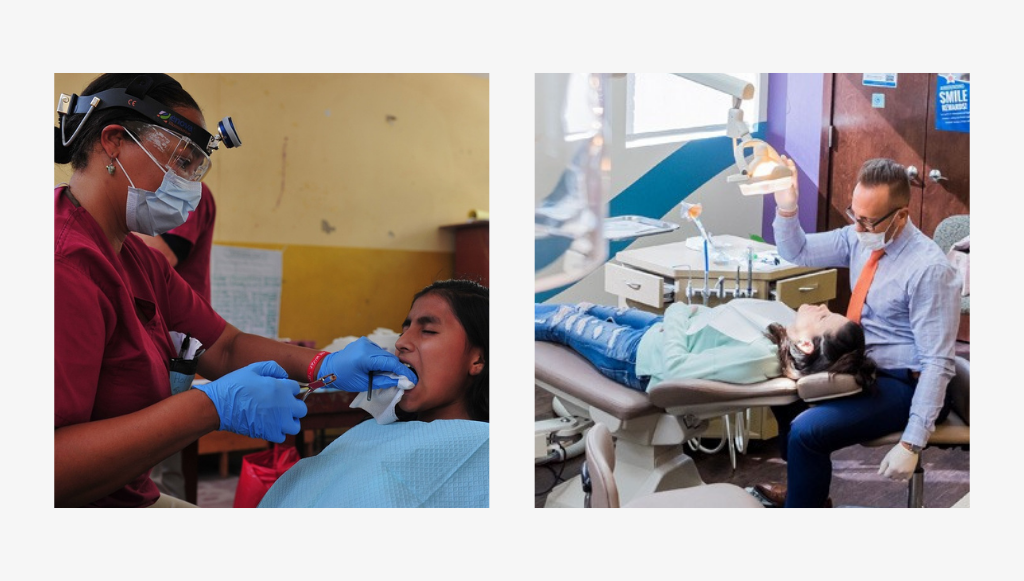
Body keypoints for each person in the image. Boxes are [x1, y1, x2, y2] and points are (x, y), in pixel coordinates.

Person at [54, 73, 417, 508]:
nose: (191, 184)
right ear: (114, 140)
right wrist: (209, 408)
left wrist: (326, 363)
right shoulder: (62, 266)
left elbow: (225, 346)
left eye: (196, 167)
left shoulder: (138, 260)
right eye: (181, 161)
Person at [757, 156, 961, 507]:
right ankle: (807, 494)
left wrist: (912, 443)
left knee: (807, 432)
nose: (859, 228)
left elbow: (937, 363)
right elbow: (798, 250)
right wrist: (786, 205)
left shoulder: (928, 270)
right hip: (861, 367)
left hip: (903, 382)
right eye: (855, 216)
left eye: (868, 221)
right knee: (783, 393)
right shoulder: (859, 237)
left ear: (900, 216)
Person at [258, 280, 489, 507]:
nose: (402, 342)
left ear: (478, 359)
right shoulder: (372, 433)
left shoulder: (487, 452)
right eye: (404, 329)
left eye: (428, 331)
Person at [535, 298, 876, 392]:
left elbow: (676, 370)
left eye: (823, 318)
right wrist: (681, 318)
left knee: (560, 322)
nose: (821, 308)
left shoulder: (758, 357)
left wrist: (678, 311)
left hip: (635, 355)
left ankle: (484, 316)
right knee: (580, 308)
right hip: (663, 329)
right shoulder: (783, 325)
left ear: (805, 345)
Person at [136, 182, 216, 501]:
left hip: (175, 334)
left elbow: (162, 256)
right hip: (153, 329)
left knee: (162, 464)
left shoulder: (185, 193)